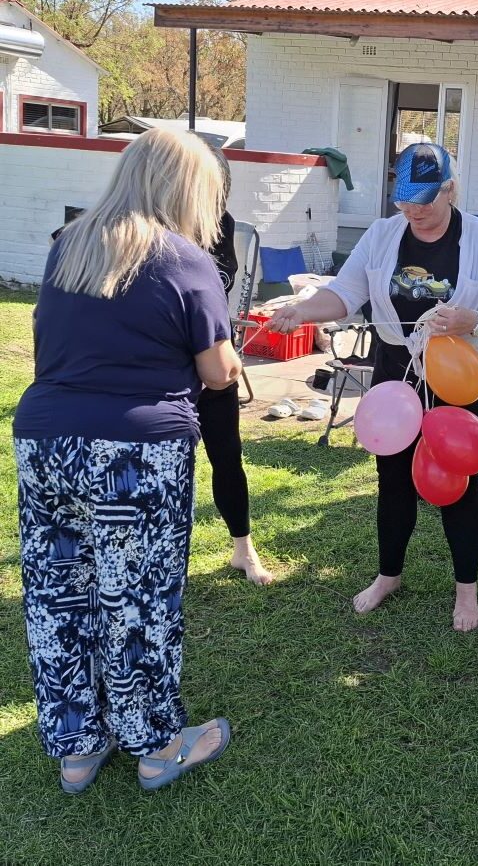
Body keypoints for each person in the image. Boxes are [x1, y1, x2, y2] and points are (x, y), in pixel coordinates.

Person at [13, 128, 240, 794]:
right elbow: (217, 372)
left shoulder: (69, 247)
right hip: (135, 453)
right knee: (137, 598)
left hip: (46, 441)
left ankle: (77, 746)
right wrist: (227, 348)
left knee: (61, 594)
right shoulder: (186, 259)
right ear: (187, 188)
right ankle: (154, 742)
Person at [269, 143, 478, 632]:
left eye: (425, 201)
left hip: (461, 372)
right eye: (404, 201)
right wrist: (303, 309)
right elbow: (345, 293)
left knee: (461, 483)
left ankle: (466, 591)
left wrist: (472, 318)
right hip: (396, 370)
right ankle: (389, 575)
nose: (413, 211)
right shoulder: (382, 235)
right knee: (392, 479)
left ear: (451, 189)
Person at [198, 145, 274, 586]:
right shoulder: (152, 227)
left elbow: (219, 285)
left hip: (211, 353)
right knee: (169, 464)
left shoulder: (221, 224)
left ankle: (243, 549)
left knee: (226, 454)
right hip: (164, 367)